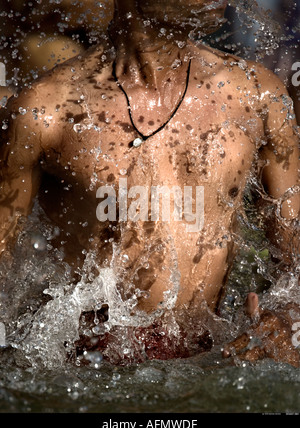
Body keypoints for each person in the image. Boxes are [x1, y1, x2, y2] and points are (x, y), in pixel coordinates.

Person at [0, 0, 299, 366]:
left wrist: (287, 320)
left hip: (209, 364)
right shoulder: (46, 113)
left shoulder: (257, 97)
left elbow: (295, 264)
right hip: (88, 373)